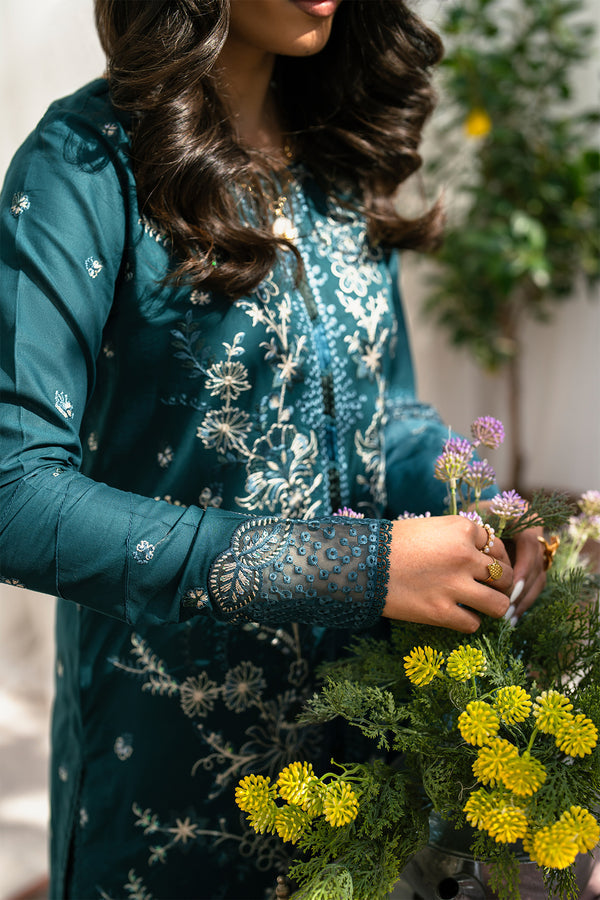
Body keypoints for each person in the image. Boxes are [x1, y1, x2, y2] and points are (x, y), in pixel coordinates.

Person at [0, 1, 546, 897]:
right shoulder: (85, 164)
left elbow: (387, 415)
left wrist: (481, 508)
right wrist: (355, 568)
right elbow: (16, 494)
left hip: (369, 770)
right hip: (174, 784)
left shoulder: (336, 146)